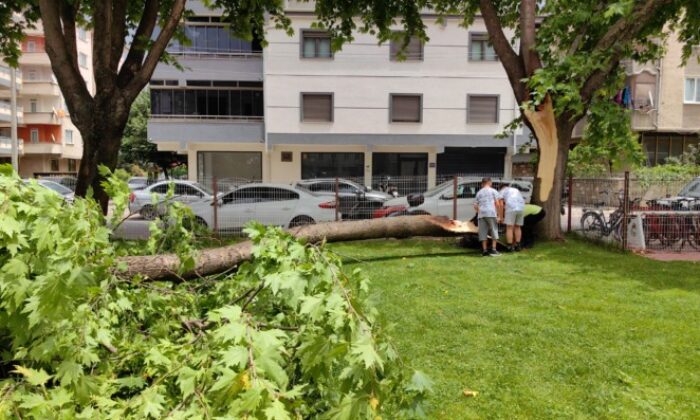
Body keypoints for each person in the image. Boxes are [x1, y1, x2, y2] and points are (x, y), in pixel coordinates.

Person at [473, 177, 503, 257]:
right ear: (490, 183)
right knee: (494, 230)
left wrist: (480, 212)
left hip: (482, 214)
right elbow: (497, 203)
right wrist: (499, 215)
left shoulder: (479, 192)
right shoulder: (493, 191)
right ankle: (493, 250)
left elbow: (475, 205)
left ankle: (484, 250)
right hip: (491, 213)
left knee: (483, 232)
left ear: (482, 183)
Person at [500, 184, 526, 252]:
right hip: (521, 208)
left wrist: (501, 216)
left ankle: (510, 246)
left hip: (511, 208)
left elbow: (501, 204)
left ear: (501, 187)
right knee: (518, 227)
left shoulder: (502, 191)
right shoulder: (516, 190)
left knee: (509, 227)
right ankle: (518, 245)